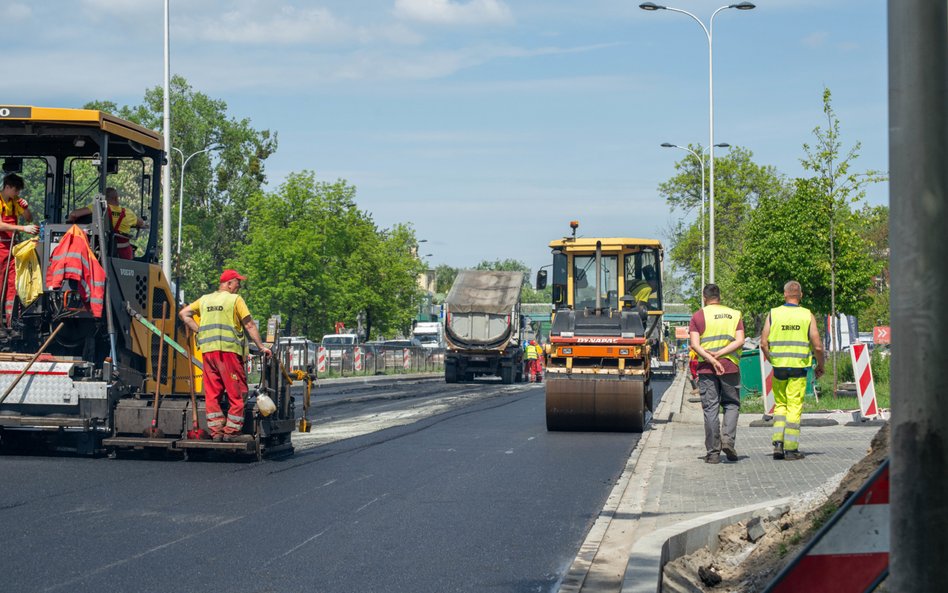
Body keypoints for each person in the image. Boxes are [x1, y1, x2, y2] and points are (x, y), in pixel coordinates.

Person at [178, 269, 272, 442]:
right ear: (228, 283)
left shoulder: (205, 299)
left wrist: (200, 331)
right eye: (238, 282)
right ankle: (231, 431)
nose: (240, 286)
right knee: (238, 392)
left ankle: (216, 431)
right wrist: (261, 347)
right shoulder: (234, 300)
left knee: (212, 393)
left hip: (208, 353)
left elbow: (184, 314)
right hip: (228, 353)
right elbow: (249, 325)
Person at [760, 280, 825, 461]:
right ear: (801, 295)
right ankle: (791, 449)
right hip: (798, 368)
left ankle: (778, 444)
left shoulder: (773, 314)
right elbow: (818, 346)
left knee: (780, 405)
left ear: (784, 294)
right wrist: (821, 366)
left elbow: (763, 343)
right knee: (794, 406)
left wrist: (772, 359)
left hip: (779, 368)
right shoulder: (807, 315)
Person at [688, 283, 745, 464]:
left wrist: (712, 359)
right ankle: (728, 441)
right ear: (719, 297)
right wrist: (721, 355)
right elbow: (740, 340)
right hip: (729, 366)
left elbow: (695, 345)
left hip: (707, 368)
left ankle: (713, 453)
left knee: (711, 408)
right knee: (731, 404)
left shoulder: (698, 316)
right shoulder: (735, 314)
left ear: (705, 298)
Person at [0, 173, 39, 324]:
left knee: (12, 283)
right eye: (16, 190)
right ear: (7, 187)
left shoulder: (15, 201)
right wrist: (23, 228)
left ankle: (10, 320)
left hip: (12, 248)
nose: (17, 194)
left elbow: (29, 218)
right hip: (1, 246)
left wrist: (26, 207)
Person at [67, 187, 145, 259]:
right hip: (123, 254)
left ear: (104, 199)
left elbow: (73, 214)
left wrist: (70, 223)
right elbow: (141, 223)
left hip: (102, 253)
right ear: (116, 198)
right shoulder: (127, 213)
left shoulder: (98, 208)